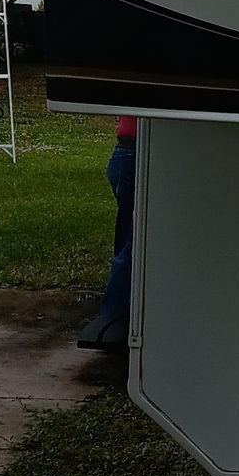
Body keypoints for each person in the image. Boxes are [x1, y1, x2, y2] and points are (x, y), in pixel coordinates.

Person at [78, 115, 137, 352]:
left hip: (127, 153)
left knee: (130, 238)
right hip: (135, 153)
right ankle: (115, 314)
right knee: (133, 241)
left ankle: (118, 315)